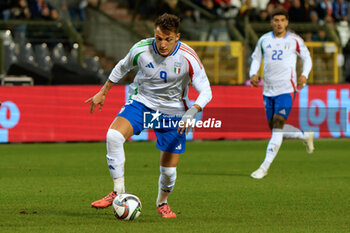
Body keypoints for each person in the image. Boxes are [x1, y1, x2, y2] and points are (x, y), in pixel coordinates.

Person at [86, 13, 212, 218]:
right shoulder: (141, 49)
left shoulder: (188, 57)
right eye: (158, 38)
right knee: (113, 136)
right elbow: (121, 66)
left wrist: (193, 110)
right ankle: (118, 192)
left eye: (168, 39)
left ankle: (162, 202)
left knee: (169, 173)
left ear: (177, 37)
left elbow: (206, 90)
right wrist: (103, 91)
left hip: (174, 111)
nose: (162, 44)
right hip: (142, 103)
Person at [249, 8, 314, 179]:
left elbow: (307, 58)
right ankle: (304, 135)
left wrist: (304, 75)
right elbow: (256, 58)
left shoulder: (294, 40)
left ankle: (264, 167)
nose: (279, 23)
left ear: (287, 22)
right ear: (271, 22)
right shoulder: (264, 40)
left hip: (286, 89)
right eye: (276, 20)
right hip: (268, 90)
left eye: (282, 20)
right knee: (275, 128)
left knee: (277, 126)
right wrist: (253, 73)